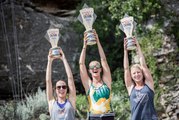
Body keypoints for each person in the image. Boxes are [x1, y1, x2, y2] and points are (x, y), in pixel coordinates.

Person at [79, 30, 114, 120]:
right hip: (93, 117)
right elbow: (81, 64)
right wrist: (84, 45)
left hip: (108, 116)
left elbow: (103, 60)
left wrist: (97, 41)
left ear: (101, 69)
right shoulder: (88, 85)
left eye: (97, 66)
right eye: (92, 67)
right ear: (89, 71)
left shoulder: (106, 81)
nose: (95, 68)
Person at [123, 37, 158, 120]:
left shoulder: (149, 85)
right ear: (131, 76)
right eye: (134, 73)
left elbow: (143, 65)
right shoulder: (130, 88)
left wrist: (137, 46)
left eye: (138, 72)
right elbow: (126, 69)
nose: (136, 75)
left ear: (142, 73)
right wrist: (125, 51)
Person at [46, 48, 76, 120]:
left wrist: (64, 59)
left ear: (66, 89)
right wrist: (49, 61)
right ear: (55, 90)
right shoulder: (51, 102)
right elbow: (48, 81)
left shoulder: (71, 101)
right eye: (58, 87)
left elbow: (70, 78)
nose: (61, 89)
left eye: (64, 87)